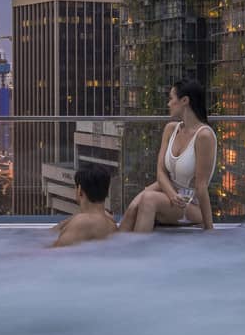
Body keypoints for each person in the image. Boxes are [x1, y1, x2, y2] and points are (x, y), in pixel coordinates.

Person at [120, 79, 217, 233]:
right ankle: (117, 252)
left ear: (185, 101)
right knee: (133, 208)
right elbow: (160, 172)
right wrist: (171, 194)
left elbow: (201, 186)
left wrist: (209, 229)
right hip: (170, 191)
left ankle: (138, 253)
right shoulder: (171, 129)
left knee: (148, 200)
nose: (169, 104)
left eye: (172, 99)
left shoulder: (204, 136)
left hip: (190, 203)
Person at [50, 163, 117, 247]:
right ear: (107, 192)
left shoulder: (82, 223)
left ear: (79, 190)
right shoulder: (112, 225)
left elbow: (49, 254)